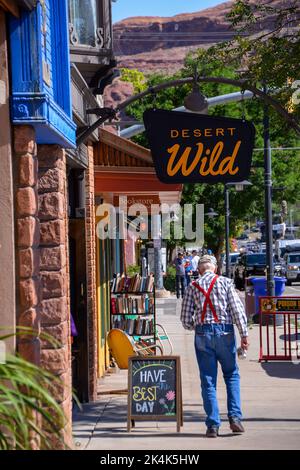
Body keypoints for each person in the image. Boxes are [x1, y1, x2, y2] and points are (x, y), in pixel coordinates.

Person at [180, 254, 249, 438]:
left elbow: (186, 320)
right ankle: (234, 418)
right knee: (231, 374)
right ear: (215, 269)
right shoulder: (226, 283)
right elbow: (236, 310)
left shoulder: (192, 286)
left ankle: (213, 425)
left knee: (208, 380)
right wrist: (244, 334)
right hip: (225, 332)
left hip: (203, 333)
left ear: (199, 270)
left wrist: (199, 325)